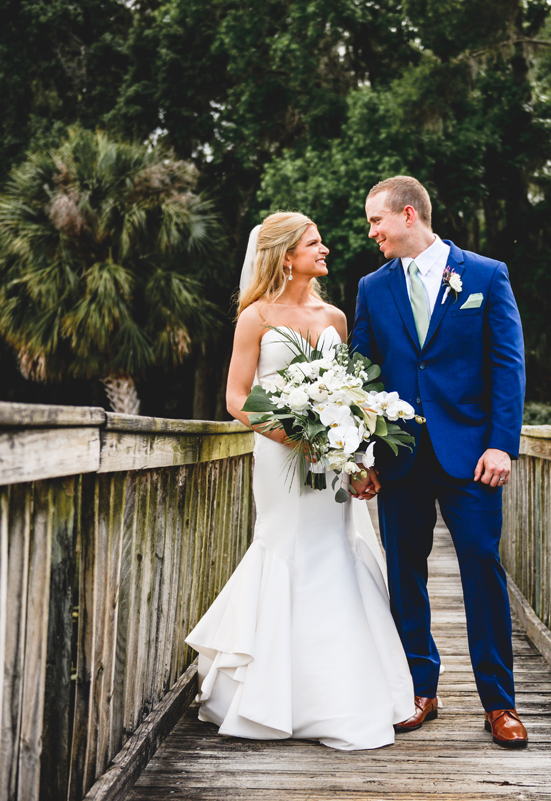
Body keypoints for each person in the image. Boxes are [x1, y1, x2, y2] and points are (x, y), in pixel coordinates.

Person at [185, 211, 414, 751]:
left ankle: (338, 694)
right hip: (280, 459)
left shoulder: (336, 317)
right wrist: (293, 436)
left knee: (333, 550)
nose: (326, 249)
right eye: (315, 243)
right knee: (284, 547)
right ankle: (269, 694)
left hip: (331, 458)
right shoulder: (256, 317)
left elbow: (350, 401)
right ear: (286, 255)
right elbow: (237, 398)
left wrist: (356, 459)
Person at [351, 176, 529, 748]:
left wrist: (502, 443)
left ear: (408, 215)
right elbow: (360, 376)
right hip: (399, 459)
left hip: (472, 457)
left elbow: (508, 366)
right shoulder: (372, 288)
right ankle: (418, 690)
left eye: (377, 221)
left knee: (481, 567)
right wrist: (363, 453)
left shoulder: (485, 275)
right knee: (406, 574)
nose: (372, 232)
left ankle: (499, 703)